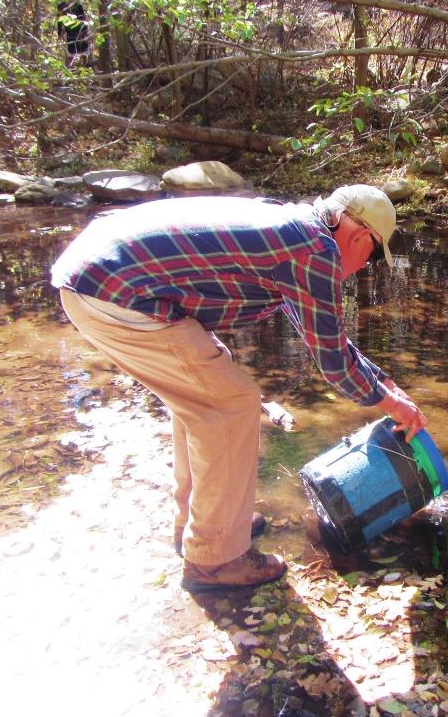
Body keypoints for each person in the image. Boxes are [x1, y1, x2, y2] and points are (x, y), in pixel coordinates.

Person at [50, 185, 428, 591]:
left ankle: (203, 525)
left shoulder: (297, 231)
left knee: (206, 392)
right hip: (111, 290)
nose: (364, 266)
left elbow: (325, 338)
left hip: (100, 275)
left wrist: (385, 384)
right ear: (358, 238)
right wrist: (391, 405)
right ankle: (214, 558)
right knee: (228, 403)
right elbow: (334, 364)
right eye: (371, 256)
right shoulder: (316, 251)